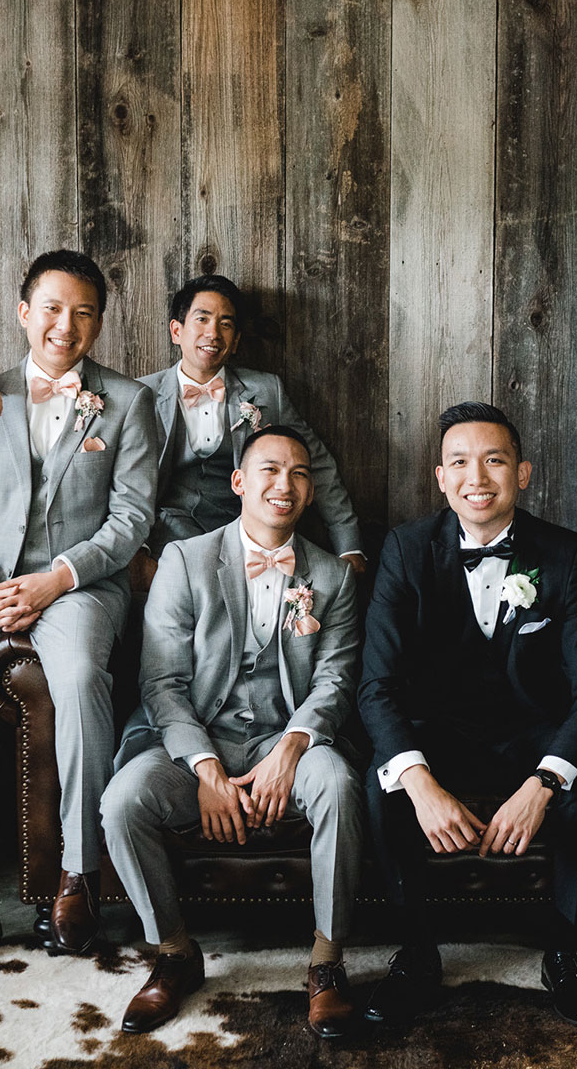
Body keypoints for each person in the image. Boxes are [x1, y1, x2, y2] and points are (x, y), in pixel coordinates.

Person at [358, 401, 577, 1029]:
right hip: (438, 733)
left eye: (494, 461)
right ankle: (417, 953)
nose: (478, 477)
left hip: (533, 732)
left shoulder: (565, 555)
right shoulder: (405, 548)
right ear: (441, 478)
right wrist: (419, 782)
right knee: (382, 785)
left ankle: (563, 951)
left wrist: (544, 783)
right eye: (460, 463)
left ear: (522, 474)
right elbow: (377, 687)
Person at [101, 425, 363, 1037]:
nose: (285, 484)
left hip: (287, 735)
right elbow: (161, 683)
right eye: (270, 470)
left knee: (341, 786)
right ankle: (173, 952)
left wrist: (293, 748)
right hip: (196, 737)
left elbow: (335, 683)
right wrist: (205, 769)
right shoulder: (185, 560)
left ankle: (327, 963)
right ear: (240, 482)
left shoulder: (334, 577)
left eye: (300, 473)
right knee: (122, 803)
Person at [0, 250, 157, 974]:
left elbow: (130, 521)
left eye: (85, 312)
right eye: (53, 308)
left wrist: (56, 579)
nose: (67, 326)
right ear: (25, 312)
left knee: (78, 685)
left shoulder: (128, 403)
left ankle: (78, 873)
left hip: (81, 585)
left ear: (99, 321)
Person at [130, 274, 364, 592]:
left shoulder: (267, 391)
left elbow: (316, 464)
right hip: (166, 537)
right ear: (177, 331)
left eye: (226, 324)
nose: (213, 333)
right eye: (202, 319)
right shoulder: (141, 395)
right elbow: (122, 483)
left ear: (236, 340)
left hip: (245, 535)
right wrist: (138, 554)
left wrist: (348, 544)